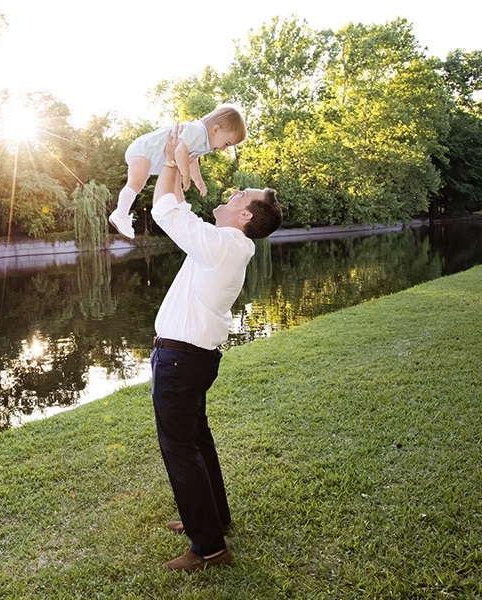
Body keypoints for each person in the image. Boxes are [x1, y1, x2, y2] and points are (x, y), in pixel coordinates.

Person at [149, 131, 282, 572]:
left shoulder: (224, 245)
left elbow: (163, 210)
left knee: (179, 447)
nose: (232, 191)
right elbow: (179, 207)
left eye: (240, 193)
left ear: (245, 214)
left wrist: (171, 160)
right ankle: (213, 520)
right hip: (191, 358)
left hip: (181, 360)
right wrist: (176, 168)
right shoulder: (225, 245)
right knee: (197, 441)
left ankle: (208, 548)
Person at [108, 104, 247, 240]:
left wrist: (198, 180)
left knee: (141, 183)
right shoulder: (198, 131)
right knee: (136, 183)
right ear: (215, 130)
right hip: (144, 150)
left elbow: (191, 159)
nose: (223, 149)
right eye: (227, 144)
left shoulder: (202, 140)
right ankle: (120, 215)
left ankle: (181, 206)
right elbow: (180, 151)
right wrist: (186, 176)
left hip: (151, 157)